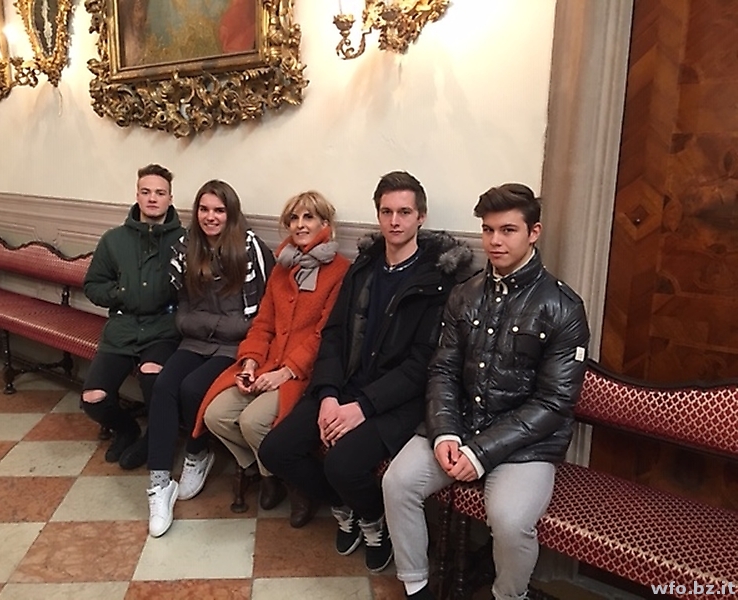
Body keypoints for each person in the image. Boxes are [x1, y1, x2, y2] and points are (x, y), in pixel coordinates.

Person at [381, 183, 590, 600]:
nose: (495, 241)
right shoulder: (465, 293)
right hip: (460, 426)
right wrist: (444, 432)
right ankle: (417, 587)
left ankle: (508, 596)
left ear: (534, 232)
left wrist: (481, 452)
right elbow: (442, 369)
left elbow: (555, 401)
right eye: (488, 229)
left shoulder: (563, 306)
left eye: (508, 230)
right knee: (397, 482)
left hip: (527, 445)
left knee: (511, 521)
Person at [258, 171, 474, 573]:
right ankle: (345, 505)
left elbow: (423, 364)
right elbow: (334, 335)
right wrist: (327, 395)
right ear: (378, 215)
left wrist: (361, 408)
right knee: (276, 450)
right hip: (345, 386)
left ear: (421, 217)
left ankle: (375, 521)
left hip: (396, 401)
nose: (395, 221)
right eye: (387, 212)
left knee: (342, 464)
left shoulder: (438, 282)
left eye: (404, 212)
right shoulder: (364, 268)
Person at [197, 191, 350, 514]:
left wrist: (287, 371)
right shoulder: (283, 267)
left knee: (253, 422)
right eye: (294, 218)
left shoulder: (340, 271)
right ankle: (266, 472)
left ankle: (294, 482)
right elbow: (263, 322)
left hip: (303, 373)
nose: (300, 225)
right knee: (215, 415)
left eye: (308, 217)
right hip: (267, 364)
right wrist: (250, 362)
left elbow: (325, 336)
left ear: (325, 223)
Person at [145, 179, 274, 538]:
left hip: (235, 347)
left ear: (231, 213)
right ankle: (159, 484)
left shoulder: (249, 248)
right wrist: (201, 324)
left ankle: (197, 453)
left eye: (219, 210)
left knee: (193, 388)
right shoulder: (187, 246)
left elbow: (261, 315)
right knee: (164, 386)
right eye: (204, 209)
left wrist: (217, 326)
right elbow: (182, 307)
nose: (210, 217)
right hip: (194, 340)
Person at [81, 164, 183, 469]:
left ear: (170, 198)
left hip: (164, 328)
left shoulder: (186, 241)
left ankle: (153, 438)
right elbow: (93, 285)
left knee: (153, 376)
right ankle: (126, 429)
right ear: (137, 195)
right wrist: (121, 293)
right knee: (93, 398)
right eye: (146, 191)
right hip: (122, 327)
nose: (152, 198)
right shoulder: (114, 240)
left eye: (160, 193)